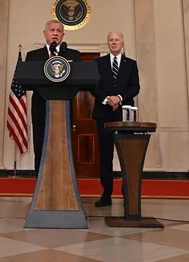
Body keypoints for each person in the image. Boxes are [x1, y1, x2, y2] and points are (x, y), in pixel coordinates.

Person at [25, 19, 82, 174]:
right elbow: (25, 80)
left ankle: (63, 184)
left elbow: (80, 80)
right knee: (40, 146)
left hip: (64, 109)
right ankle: (40, 188)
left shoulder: (73, 55)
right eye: (52, 30)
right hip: (40, 108)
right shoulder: (33, 56)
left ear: (63, 35)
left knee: (62, 147)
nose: (55, 33)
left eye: (58, 31)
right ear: (45, 34)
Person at [90, 32, 140, 207]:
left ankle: (128, 193)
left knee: (127, 156)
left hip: (124, 115)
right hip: (103, 115)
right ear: (107, 43)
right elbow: (93, 85)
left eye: (117, 40)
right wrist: (106, 99)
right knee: (105, 156)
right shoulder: (98, 63)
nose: (114, 42)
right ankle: (106, 194)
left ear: (122, 43)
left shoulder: (131, 64)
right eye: (110, 39)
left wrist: (119, 98)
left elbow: (135, 87)